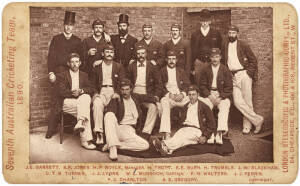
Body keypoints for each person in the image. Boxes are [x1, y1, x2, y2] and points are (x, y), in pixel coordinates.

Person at [46, 11, 83, 139]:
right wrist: (51, 72)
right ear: (63, 25)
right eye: (66, 24)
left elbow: (81, 59)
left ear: (74, 26)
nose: (68, 27)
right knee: (57, 100)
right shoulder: (56, 39)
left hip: (72, 74)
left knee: (71, 97)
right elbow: (50, 57)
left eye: (71, 25)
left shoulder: (77, 41)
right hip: (58, 74)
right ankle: (51, 128)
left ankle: (69, 127)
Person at [221, 25, 264, 134]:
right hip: (232, 76)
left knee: (247, 101)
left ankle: (247, 126)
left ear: (237, 34)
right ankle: (258, 120)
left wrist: (248, 73)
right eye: (230, 33)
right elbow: (224, 61)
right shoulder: (225, 45)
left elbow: (253, 60)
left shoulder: (243, 45)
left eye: (233, 33)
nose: (231, 35)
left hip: (243, 74)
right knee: (237, 102)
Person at [153, 85, 216, 156]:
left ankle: (163, 144)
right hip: (185, 128)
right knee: (178, 137)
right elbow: (181, 121)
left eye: (194, 94)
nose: (191, 97)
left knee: (184, 137)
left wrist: (205, 136)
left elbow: (212, 124)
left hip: (196, 130)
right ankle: (167, 150)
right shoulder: (186, 106)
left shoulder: (204, 107)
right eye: (190, 95)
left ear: (198, 95)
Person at [103, 79, 157, 161]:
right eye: (122, 89)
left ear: (131, 89)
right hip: (119, 129)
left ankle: (114, 144)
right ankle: (112, 149)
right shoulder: (117, 98)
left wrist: (157, 102)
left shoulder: (135, 97)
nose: (125, 92)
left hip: (130, 131)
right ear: (120, 90)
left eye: (127, 89)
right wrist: (113, 99)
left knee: (145, 145)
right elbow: (109, 110)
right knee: (109, 114)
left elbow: (148, 97)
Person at [56, 53, 96, 149]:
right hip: (67, 102)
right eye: (72, 62)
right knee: (85, 107)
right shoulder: (62, 75)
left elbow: (91, 88)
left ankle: (80, 123)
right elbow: (61, 92)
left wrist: (81, 91)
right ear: (68, 64)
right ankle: (85, 140)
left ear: (80, 63)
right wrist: (73, 93)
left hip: (81, 100)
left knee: (85, 98)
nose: (74, 64)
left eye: (77, 62)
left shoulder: (84, 75)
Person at [91, 44, 126, 145]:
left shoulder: (118, 66)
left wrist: (117, 93)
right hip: (101, 91)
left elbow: (122, 82)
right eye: (107, 52)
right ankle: (99, 133)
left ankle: (112, 134)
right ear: (102, 54)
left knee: (112, 108)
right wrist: (95, 93)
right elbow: (92, 83)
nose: (109, 54)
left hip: (112, 91)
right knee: (97, 104)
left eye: (111, 52)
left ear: (114, 54)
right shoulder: (97, 67)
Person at [199, 48, 232, 144]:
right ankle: (209, 133)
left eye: (217, 57)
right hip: (209, 94)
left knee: (224, 106)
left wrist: (220, 97)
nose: (214, 59)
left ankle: (219, 133)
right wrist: (209, 96)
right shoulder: (205, 68)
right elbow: (202, 86)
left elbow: (229, 88)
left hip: (221, 95)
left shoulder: (225, 69)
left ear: (220, 57)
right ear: (210, 58)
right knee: (205, 106)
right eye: (212, 57)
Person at [128, 45, 161, 140]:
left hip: (147, 93)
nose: (140, 55)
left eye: (142, 53)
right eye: (138, 53)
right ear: (136, 55)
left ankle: (146, 132)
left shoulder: (152, 66)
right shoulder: (131, 66)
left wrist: (156, 96)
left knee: (153, 107)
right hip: (134, 92)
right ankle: (133, 131)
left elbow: (158, 84)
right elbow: (127, 82)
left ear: (146, 54)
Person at [158, 50, 191, 140]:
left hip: (180, 96)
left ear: (176, 60)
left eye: (173, 59)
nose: (171, 61)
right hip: (169, 97)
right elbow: (159, 87)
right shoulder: (162, 71)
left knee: (193, 101)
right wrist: (169, 94)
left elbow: (187, 85)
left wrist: (183, 94)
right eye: (169, 59)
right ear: (166, 60)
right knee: (164, 103)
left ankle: (190, 130)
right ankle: (166, 132)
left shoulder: (181, 71)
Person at [191, 9, 222, 85]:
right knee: (198, 82)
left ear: (210, 21)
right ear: (200, 21)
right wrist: (192, 66)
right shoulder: (195, 34)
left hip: (212, 62)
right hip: (199, 62)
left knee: (211, 82)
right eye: (202, 20)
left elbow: (220, 48)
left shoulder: (216, 33)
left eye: (206, 21)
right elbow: (192, 51)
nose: (204, 23)